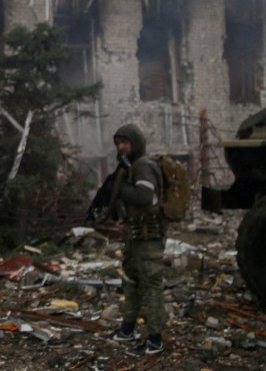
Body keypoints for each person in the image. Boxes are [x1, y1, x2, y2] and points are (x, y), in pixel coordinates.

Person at [106, 123, 167, 356]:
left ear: (136, 143)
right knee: (130, 282)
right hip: (135, 237)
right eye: (118, 143)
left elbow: (143, 196)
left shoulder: (143, 166)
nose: (121, 147)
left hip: (149, 237)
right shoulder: (130, 166)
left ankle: (155, 340)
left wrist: (119, 189)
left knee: (151, 285)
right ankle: (127, 330)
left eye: (126, 142)